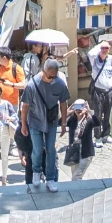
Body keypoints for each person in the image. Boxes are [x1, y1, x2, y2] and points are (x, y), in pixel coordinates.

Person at [20, 57, 70, 193]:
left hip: (51, 121)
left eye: (54, 77)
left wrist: (63, 122)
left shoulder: (60, 83)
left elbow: (64, 103)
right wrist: (23, 124)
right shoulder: (32, 84)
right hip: (35, 121)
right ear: (44, 71)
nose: (52, 79)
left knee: (51, 150)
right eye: (49, 76)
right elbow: (25, 106)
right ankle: (36, 172)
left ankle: (50, 178)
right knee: (37, 149)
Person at [88, 41, 112, 142]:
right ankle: (97, 137)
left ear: (109, 49)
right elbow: (90, 53)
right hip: (98, 91)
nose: (104, 50)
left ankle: (106, 134)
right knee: (97, 115)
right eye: (103, 48)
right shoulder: (94, 59)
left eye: (107, 48)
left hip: (110, 91)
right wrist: (101, 44)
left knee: (108, 114)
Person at [62, 98, 96, 182]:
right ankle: (78, 190)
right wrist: (67, 112)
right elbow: (60, 122)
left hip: (86, 154)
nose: (79, 110)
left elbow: (97, 122)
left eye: (81, 107)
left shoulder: (89, 120)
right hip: (74, 153)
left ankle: (77, 190)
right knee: (75, 176)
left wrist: (89, 110)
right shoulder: (72, 120)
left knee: (76, 177)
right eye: (77, 107)